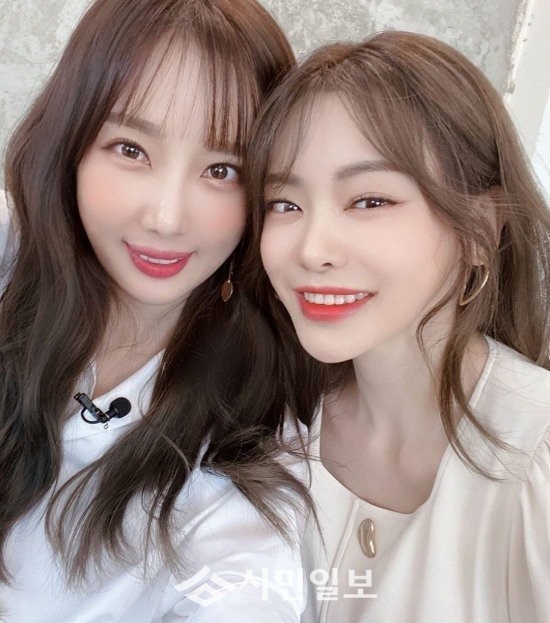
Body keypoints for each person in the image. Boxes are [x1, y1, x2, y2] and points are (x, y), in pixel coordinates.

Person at [0, 1, 312, 621]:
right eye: (131, 149)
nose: (166, 218)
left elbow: (249, 587)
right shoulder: (10, 253)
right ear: (71, 145)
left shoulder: (244, 448)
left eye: (221, 170)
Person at [245, 31, 550, 622]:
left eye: (369, 201)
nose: (312, 249)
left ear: (480, 230)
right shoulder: (273, 424)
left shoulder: (536, 453)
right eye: (285, 204)